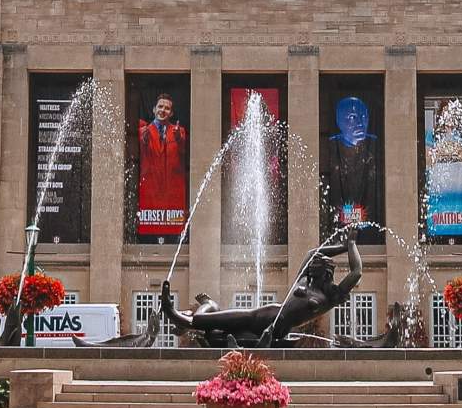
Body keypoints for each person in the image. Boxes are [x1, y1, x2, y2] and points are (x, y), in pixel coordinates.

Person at [160, 227, 362, 347]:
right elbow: (311, 252)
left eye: (318, 265)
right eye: (314, 265)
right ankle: (199, 309)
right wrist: (342, 246)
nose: (313, 265)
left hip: (272, 327)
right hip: (261, 315)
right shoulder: (304, 281)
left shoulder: (329, 296)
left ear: (327, 271)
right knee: (215, 331)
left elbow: (356, 272)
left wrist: (352, 244)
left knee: (214, 323)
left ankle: (183, 314)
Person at [138, 93, 187, 236]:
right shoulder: (144, 130)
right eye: (160, 107)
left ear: (171, 113)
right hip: (150, 189)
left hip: (172, 191)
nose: (162, 110)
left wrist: (178, 138)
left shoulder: (179, 131)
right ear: (154, 109)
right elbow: (142, 143)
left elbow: (183, 149)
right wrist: (145, 138)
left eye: (167, 108)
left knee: (173, 229)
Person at [328, 96, 377, 226]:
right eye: (352, 117)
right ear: (339, 121)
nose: (360, 123)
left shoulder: (375, 145)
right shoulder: (332, 146)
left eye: (363, 116)